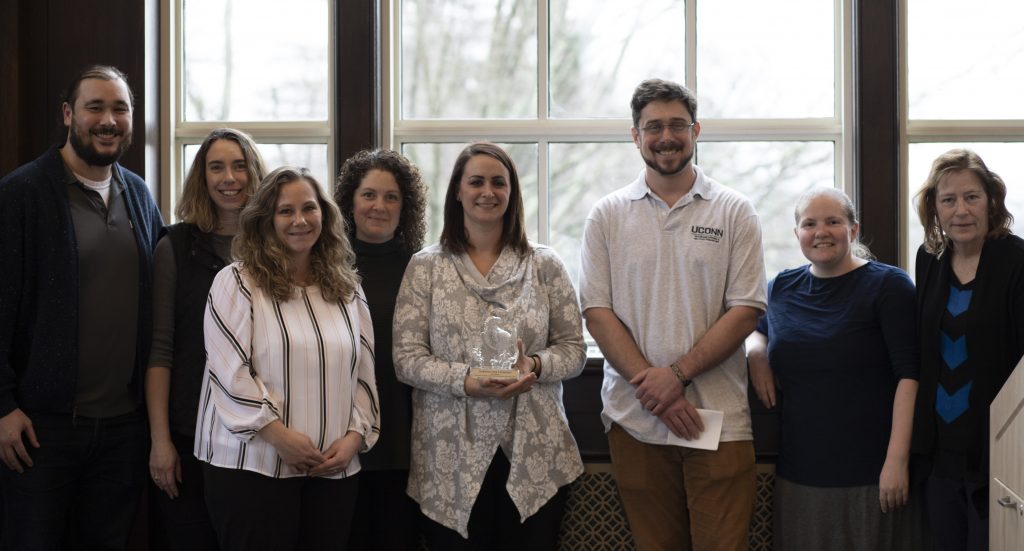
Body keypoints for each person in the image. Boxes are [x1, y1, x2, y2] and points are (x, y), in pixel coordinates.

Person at [579, 78, 767, 551]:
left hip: (719, 419)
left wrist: (677, 374)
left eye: (677, 125)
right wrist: (655, 385)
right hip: (635, 419)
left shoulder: (734, 210)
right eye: (653, 126)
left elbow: (746, 309)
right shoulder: (606, 215)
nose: (666, 136)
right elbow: (596, 312)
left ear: (696, 130)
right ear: (635, 135)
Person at [0, 65, 163, 549]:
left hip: (122, 431)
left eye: (120, 108)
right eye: (95, 107)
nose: (108, 120)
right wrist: (3, 404)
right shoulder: (21, 194)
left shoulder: (137, 193)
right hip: (40, 431)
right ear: (69, 114)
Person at [393, 142, 586, 550]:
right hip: (449, 454)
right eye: (476, 181)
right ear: (458, 192)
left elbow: (573, 349)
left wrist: (533, 365)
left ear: (512, 192)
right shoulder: (425, 267)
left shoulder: (545, 264)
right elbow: (406, 360)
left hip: (534, 447)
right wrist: (467, 381)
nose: (488, 191)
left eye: (499, 182)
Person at [194, 167, 380, 550]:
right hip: (251, 467)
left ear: (325, 216)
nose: (300, 220)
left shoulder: (348, 288)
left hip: (334, 468)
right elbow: (229, 373)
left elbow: (363, 374)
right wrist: (278, 437)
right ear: (266, 219)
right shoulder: (238, 281)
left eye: (309, 208)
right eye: (285, 211)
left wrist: (353, 437)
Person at [746, 187, 921, 550]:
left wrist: (896, 461)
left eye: (833, 221)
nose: (820, 231)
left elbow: (910, 376)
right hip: (800, 474)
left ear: (853, 230)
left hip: (872, 474)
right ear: (797, 234)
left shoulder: (889, 286)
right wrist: (756, 354)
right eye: (809, 223)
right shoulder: (781, 287)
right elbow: (755, 330)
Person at [146, 128, 267, 550]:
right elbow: (160, 350)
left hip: (259, 433)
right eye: (216, 167)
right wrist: (160, 442)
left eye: (239, 166)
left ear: (255, 174)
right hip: (187, 430)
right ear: (202, 176)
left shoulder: (276, 248)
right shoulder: (174, 247)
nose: (229, 177)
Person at [911, 149, 1024, 551]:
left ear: (991, 201)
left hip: (1000, 452)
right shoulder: (929, 259)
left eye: (972, 197)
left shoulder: (1017, 260)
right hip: (939, 453)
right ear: (935, 209)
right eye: (948, 200)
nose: (961, 210)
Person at [334, 148, 427, 551]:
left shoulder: (422, 266)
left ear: (405, 207)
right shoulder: (326, 264)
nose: (379, 206)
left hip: (405, 435)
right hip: (340, 434)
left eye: (391, 197)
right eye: (369, 194)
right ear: (350, 202)